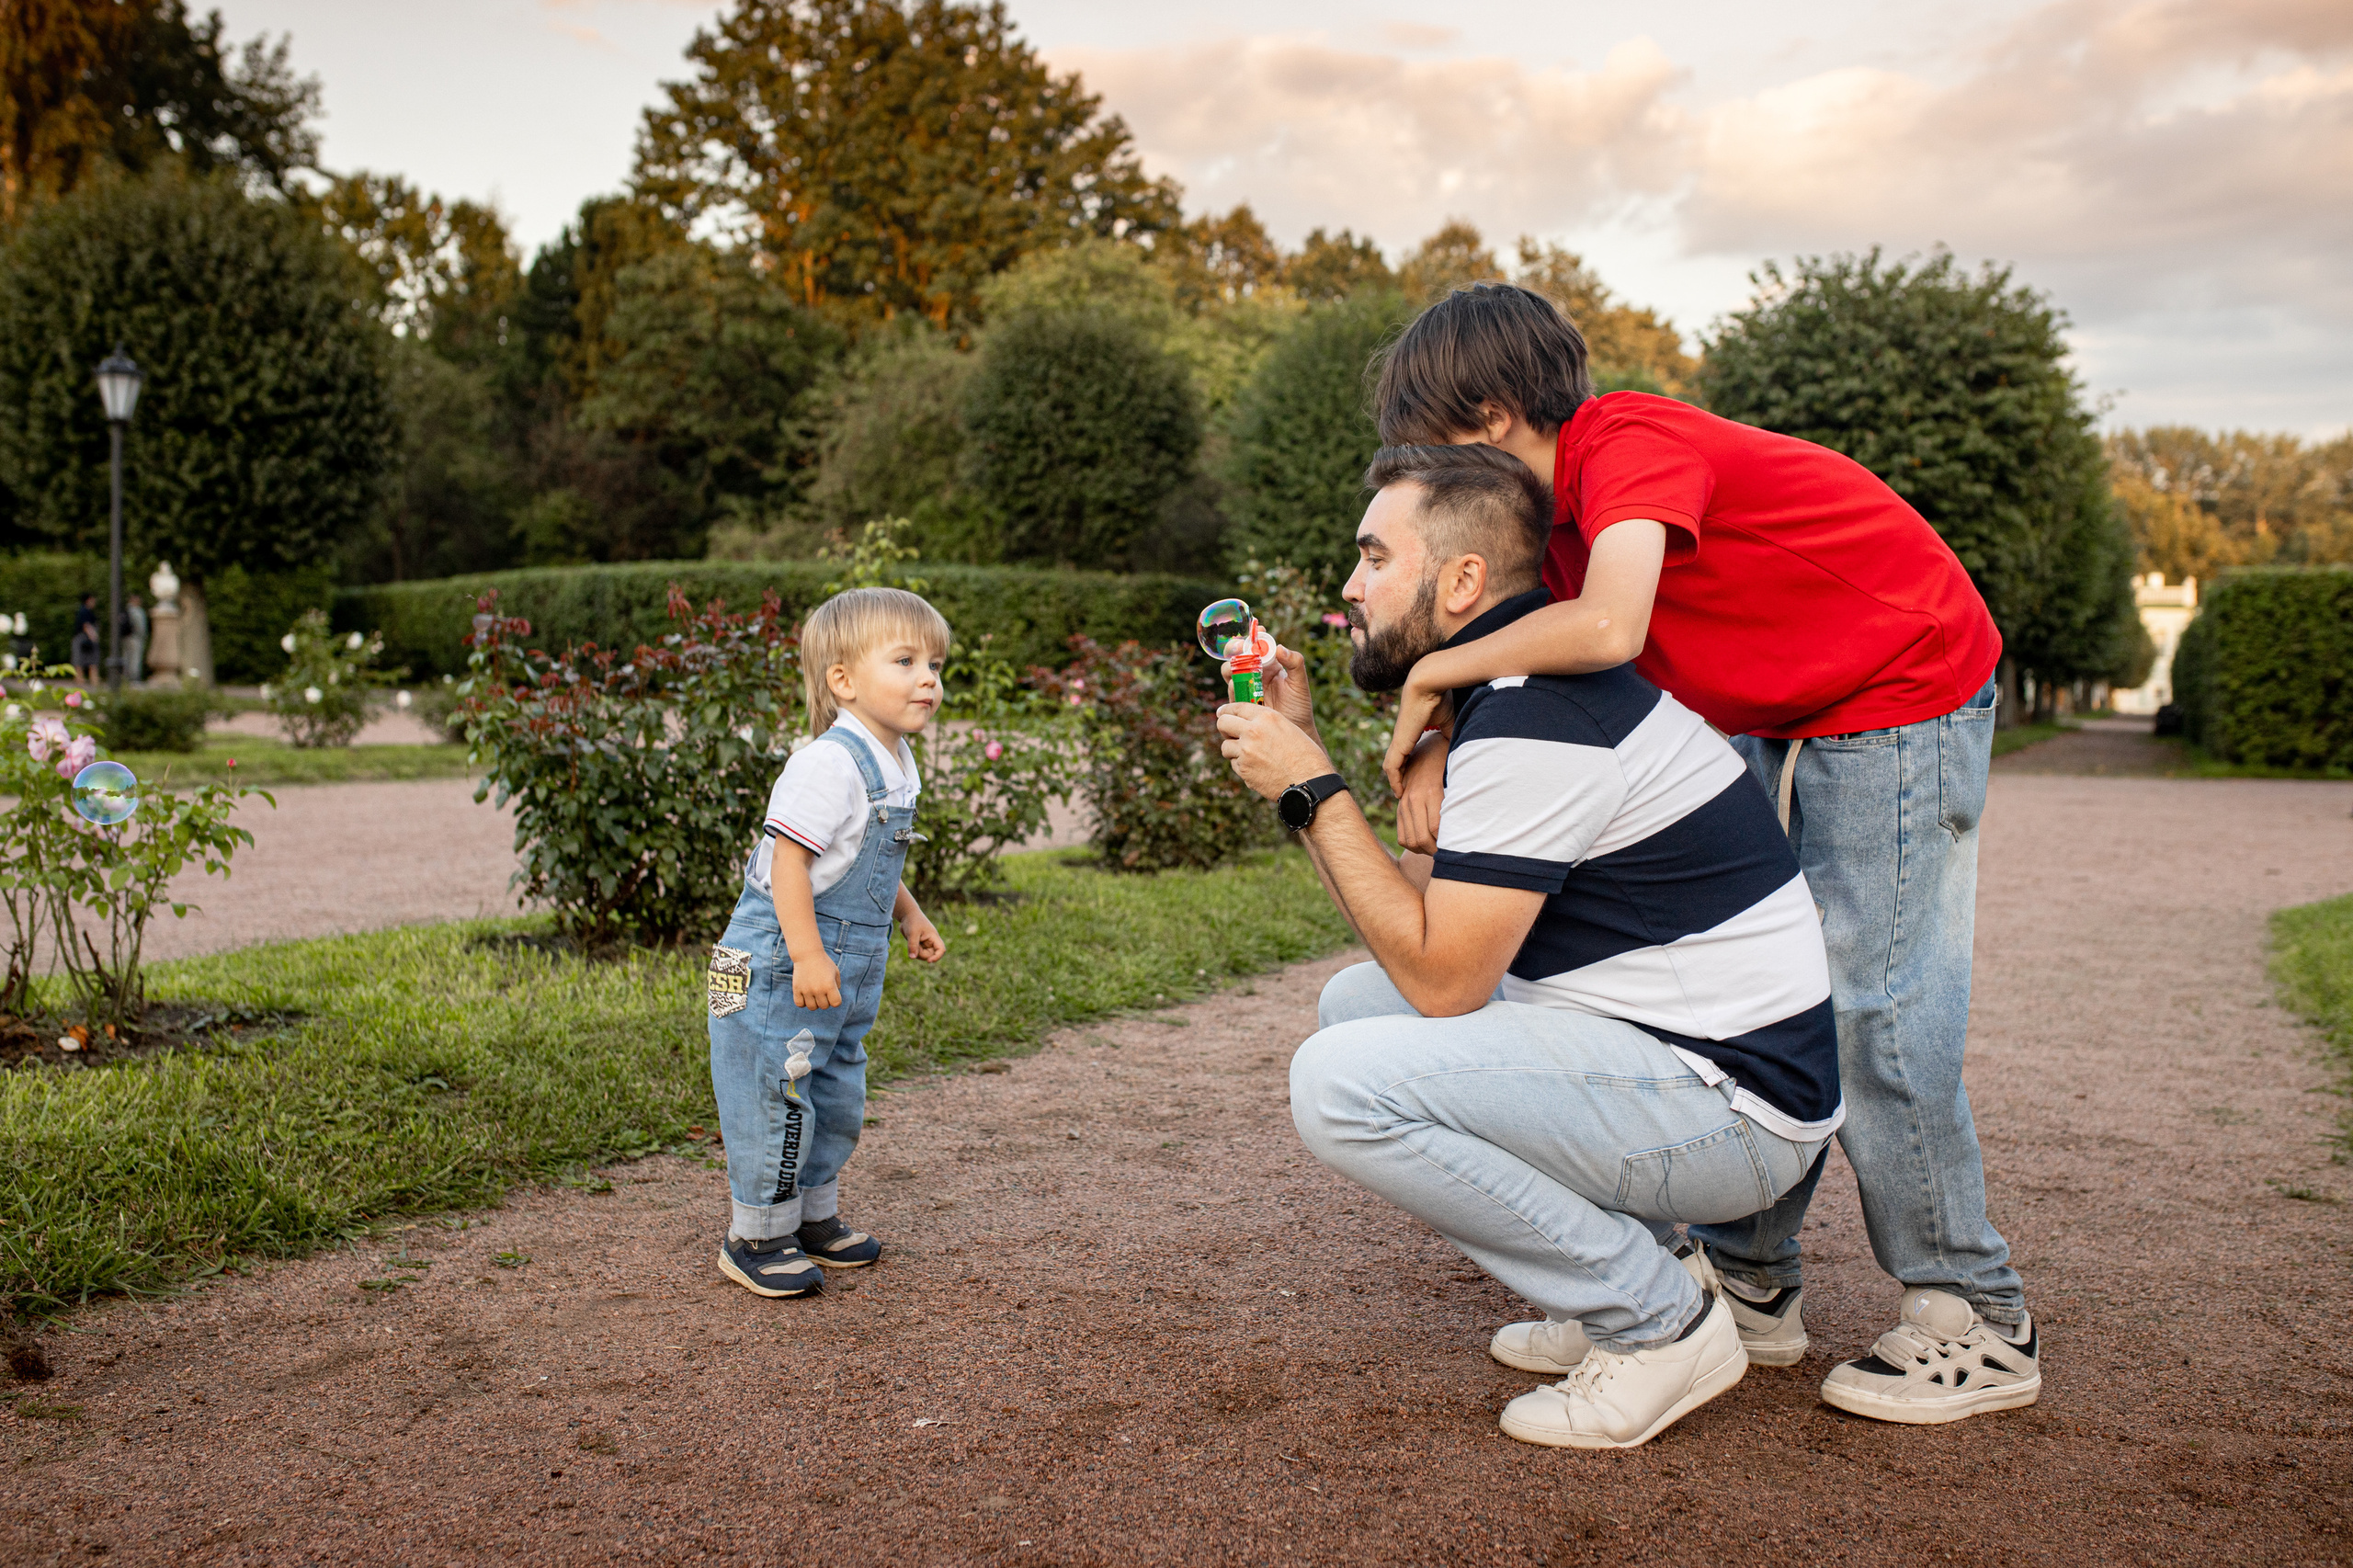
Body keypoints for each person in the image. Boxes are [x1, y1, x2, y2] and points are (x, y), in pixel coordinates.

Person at [1367, 283, 2039, 1426]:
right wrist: (1433, 738)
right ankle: (1751, 1282)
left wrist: (1430, 678)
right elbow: (1522, 654)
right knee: (1772, 983)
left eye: (1429, 443)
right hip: (1787, 701)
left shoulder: (1624, 442)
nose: (1426, 481)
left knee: (1874, 1001)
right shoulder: (1549, 530)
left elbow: (1609, 628)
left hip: (1898, 680)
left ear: (1486, 413)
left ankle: (1975, 1312)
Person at [1216, 443, 1842, 1450]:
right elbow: (1423, 947)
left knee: (1338, 1081)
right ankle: (1644, 1276)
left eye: (1374, 556)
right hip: (1679, 1056)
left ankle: (1659, 1320)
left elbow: (1446, 977)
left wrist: (1311, 788)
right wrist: (1315, 774)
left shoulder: (1534, 717)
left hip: (1734, 1111)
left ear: (1463, 579)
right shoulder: (1513, 696)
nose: (1349, 584)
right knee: (1353, 1009)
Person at [706, 586, 949, 1298]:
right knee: (773, 1090)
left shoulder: (896, 760)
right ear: (842, 679)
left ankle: (811, 1216)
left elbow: (870, 856)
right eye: (905, 660)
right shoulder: (827, 764)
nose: (929, 677)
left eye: (935, 663)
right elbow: (790, 865)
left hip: (844, 958)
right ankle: (755, 1234)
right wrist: (808, 953)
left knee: (837, 1088)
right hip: (775, 958)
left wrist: (910, 914)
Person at [70, 594, 100, 684]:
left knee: (81, 659)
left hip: (82, 637)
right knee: (86, 658)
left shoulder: (84, 610)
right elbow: (86, 625)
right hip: (83, 637)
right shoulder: (85, 611)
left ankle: (82, 678)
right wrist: (94, 637)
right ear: (89, 600)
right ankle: (86, 679)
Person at [121, 595, 148, 687]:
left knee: (126, 657)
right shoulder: (138, 612)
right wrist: (142, 636)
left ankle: (125, 677)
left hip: (126, 637)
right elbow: (140, 627)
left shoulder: (125, 610)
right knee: (135, 658)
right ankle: (134, 678)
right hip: (135, 638)